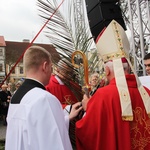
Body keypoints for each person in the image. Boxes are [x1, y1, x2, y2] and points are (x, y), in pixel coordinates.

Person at [76, 20, 150, 150]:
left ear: (107, 70)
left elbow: (87, 134)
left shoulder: (103, 96)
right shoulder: (147, 93)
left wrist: (88, 109)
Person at [5, 45, 82, 150]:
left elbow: (35, 132)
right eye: (51, 68)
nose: (52, 72)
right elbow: (54, 141)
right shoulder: (44, 98)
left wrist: (67, 117)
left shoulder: (16, 97)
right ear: (45, 66)